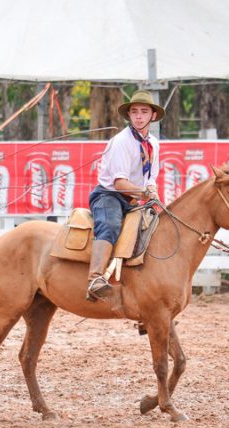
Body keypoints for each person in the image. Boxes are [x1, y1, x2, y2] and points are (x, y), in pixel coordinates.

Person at [86, 90, 162, 301]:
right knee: (110, 225)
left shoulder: (153, 144)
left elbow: (151, 176)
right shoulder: (122, 142)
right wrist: (144, 192)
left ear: (152, 116)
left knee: (155, 232)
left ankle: (145, 294)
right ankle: (95, 278)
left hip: (134, 199)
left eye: (144, 112)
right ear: (129, 115)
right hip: (109, 196)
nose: (139, 116)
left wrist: (151, 189)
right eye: (134, 111)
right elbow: (119, 183)